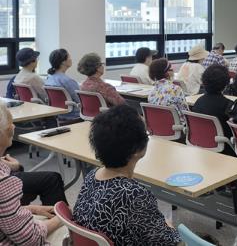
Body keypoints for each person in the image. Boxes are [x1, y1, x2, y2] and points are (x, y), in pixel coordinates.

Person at [73, 105, 181, 245]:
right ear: (136, 149)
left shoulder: (92, 176)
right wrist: (169, 227)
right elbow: (168, 242)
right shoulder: (134, 195)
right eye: (146, 133)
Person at [0, 102, 65, 245]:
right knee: (66, 232)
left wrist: (32, 208)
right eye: (10, 124)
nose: (13, 126)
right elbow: (31, 239)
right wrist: (62, 218)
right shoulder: (3, 183)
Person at [190, 65, 234, 155]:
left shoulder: (198, 102)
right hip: (224, 150)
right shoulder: (228, 105)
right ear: (225, 84)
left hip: (200, 147)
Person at [148, 58, 189, 124]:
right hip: (177, 126)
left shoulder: (151, 92)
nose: (173, 71)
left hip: (159, 125)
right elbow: (185, 112)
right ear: (167, 73)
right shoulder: (176, 89)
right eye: (171, 69)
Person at [45, 48, 81, 121]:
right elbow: (80, 100)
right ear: (63, 62)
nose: (71, 59)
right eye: (69, 57)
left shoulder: (49, 78)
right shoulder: (67, 81)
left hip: (57, 114)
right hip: (73, 115)